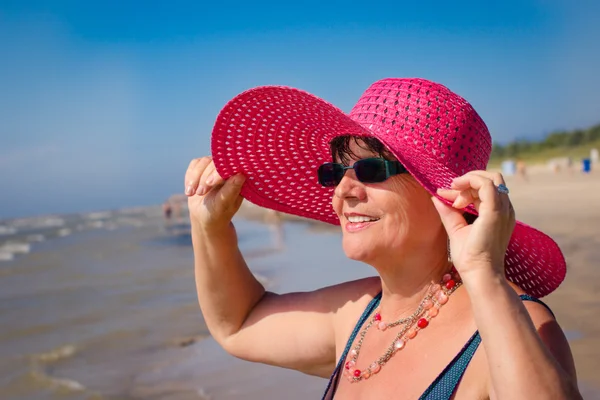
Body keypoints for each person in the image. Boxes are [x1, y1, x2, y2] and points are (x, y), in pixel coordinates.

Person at [185, 78, 580, 399]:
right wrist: (211, 228)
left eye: (371, 169)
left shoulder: (516, 322)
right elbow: (237, 324)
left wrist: (482, 272)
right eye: (334, 173)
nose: (343, 191)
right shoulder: (356, 314)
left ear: (450, 196)